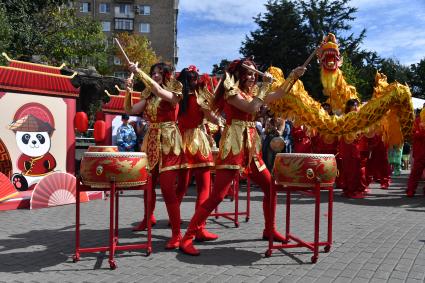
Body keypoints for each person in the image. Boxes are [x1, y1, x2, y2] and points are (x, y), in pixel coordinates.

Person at [179, 58, 306, 256]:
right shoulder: (231, 90)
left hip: (251, 149)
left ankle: (269, 229)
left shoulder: (254, 93)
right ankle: (187, 237)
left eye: (255, 73)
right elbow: (250, 108)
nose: (253, 76)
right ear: (239, 74)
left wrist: (292, 77)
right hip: (233, 145)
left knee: (270, 186)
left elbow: (279, 93)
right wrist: (264, 86)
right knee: (218, 195)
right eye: (248, 73)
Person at [125, 62, 187, 249]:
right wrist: (128, 91)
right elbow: (130, 111)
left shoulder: (175, 90)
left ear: (167, 75)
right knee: (147, 186)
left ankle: (177, 234)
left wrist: (139, 72)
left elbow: (160, 91)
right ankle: (147, 219)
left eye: (160, 72)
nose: (156, 75)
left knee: (168, 189)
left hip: (169, 142)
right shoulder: (148, 95)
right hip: (151, 142)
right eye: (154, 72)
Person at [174, 66, 220, 241]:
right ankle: (199, 227)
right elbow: (212, 118)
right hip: (197, 142)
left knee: (181, 187)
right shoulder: (200, 98)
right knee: (204, 187)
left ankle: (175, 223)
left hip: (180, 141)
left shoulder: (176, 99)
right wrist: (220, 119)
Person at [339, 99, 368, 198]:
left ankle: (354, 189)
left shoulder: (360, 118)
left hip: (355, 146)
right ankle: (348, 189)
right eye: (353, 105)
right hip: (346, 146)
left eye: (357, 105)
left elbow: (363, 132)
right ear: (349, 107)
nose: (356, 107)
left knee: (355, 169)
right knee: (347, 169)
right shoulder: (343, 118)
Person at [406, 108, 425, 197]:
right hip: (420, 152)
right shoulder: (418, 121)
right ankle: (411, 190)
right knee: (415, 173)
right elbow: (413, 134)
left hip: (420, 152)